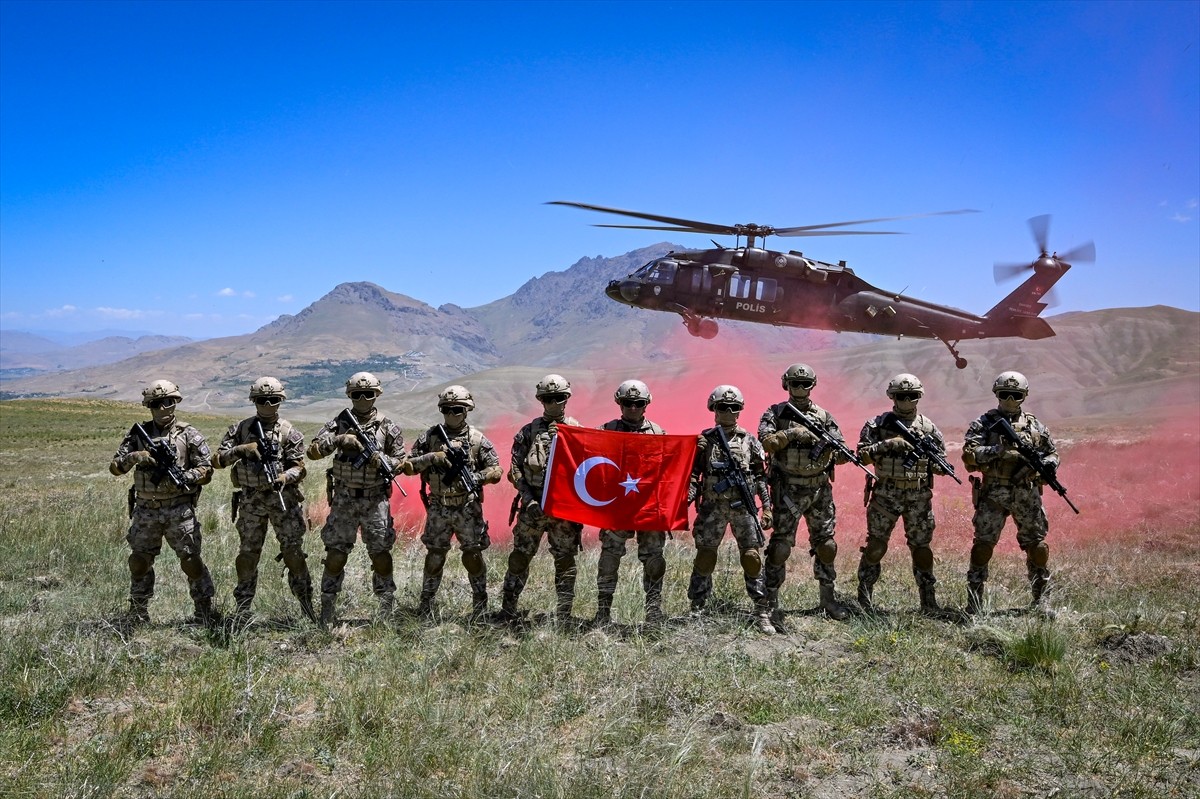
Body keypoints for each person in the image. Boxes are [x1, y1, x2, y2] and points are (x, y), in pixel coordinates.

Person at [109, 379, 217, 625]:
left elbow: (207, 470)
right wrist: (136, 456)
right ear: (150, 406)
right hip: (146, 510)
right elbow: (115, 467)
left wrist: (185, 477)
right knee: (139, 562)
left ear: (176, 402)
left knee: (191, 561)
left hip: (179, 510)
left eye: (168, 402)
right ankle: (137, 612)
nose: (163, 407)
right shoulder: (138, 435)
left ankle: (204, 612)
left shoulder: (188, 434)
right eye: (157, 403)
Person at [306, 372, 408, 625]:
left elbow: (403, 462)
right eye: (357, 394)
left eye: (368, 394)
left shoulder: (388, 426)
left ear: (377, 395)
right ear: (350, 396)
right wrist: (340, 439)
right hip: (344, 500)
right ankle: (327, 609)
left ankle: (386, 608)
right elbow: (313, 451)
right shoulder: (339, 422)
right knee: (336, 554)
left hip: (375, 500)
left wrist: (383, 461)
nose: (363, 398)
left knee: (381, 554)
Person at [212, 376, 315, 623]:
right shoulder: (240, 429)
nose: (267, 404)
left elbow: (300, 467)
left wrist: (285, 478)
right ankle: (243, 609)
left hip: (283, 500)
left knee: (293, 553)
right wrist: (240, 450)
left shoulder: (290, 432)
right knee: (247, 555)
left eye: (272, 400)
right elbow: (216, 461)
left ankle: (307, 606)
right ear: (254, 401)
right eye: (262, 400)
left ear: (280, 401)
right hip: (251, 501)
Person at [757, 363, 850, 624]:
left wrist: (829, 446)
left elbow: (842, 454)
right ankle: (770, 601)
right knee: (780, 547)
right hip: (787, 488)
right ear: (786, 384)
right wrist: (794, 433)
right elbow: (766, 441)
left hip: (819, 489)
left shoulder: (823, 416)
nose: (800, 388)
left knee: (826, 545)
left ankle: (828, 599)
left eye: (805, 384)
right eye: (795, 383)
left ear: (812, 385)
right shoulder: (775, 413)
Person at [962, 371, 1060, 615]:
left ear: (1024, 396)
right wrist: (999, 451)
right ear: (996, 394)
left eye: (1015, 395)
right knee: (983, 546)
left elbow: (1052, 453)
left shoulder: (1035, 426)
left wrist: (1049, 464)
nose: (1009, 399)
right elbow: (969, 456)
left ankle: (1041, 600)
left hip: (1026, 493)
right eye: (1004, 394)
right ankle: (974, 602)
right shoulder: (984, 423)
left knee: (1037, 547)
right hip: (994, 492)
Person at [404, 385, 503, 620]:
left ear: (467, 410)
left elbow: (497, 470)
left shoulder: (477, 440)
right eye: (447, 409)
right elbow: (407, 466)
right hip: (438, 506)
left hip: (467, 507)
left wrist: (477, 478)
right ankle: (425, 606)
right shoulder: (430, 437)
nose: (452, 414)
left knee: (473, 556)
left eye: (457, 409)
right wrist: (432, 457)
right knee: (435, 556)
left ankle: (480, 607)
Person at [854, 373, 950, 613]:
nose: (906, 401)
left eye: (912, 396)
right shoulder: (877, 424)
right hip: (886, 493)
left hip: (918, 496)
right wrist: (888, 445)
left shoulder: (928, 428)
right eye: (901, 396)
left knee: (922, 549)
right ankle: (864, 599)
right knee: (876, 546)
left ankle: (928, 602)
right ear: (892, 397)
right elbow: (861, 456)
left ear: (919, 397)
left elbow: (942, 465)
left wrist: (931, 460)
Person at [687, 385, 775, 634]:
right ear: (713, 409)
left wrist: (766, 508)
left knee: (752, 558)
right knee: (705, 556)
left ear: (740, 411)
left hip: (743, 508)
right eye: (722, 407)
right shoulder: (704, 441)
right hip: (712, 507)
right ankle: (698, 606)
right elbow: (693, 476)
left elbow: (760, 477)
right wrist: (685, 500)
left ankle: (761, 609)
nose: (728, 411)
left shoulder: (750, 442)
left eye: (734, 407)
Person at [499, 374, 584, 624]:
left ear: (566, 399)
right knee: (519, 558)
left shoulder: (579, 431)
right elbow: (514, 470)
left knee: (565, 562)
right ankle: (508, 609)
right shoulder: (528, 432)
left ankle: (565, 614)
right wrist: (529, 500)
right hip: (532, 508)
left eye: (558, 398)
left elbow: (588, 471)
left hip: (564, 512)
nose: (553, 403)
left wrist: (569, 437)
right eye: (548, 398)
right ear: (540, 400)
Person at [593, 380, 669, 626]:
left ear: (646, 404)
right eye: (628, 403)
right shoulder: (605, 431)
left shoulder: (658, 434)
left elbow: (671, 470)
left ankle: (654, 612)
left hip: (648, 508)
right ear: (619, 403)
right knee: (609, 560)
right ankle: (603, 612)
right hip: (616, 508)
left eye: (638, 403)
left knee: (654, 561)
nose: (633, 408)